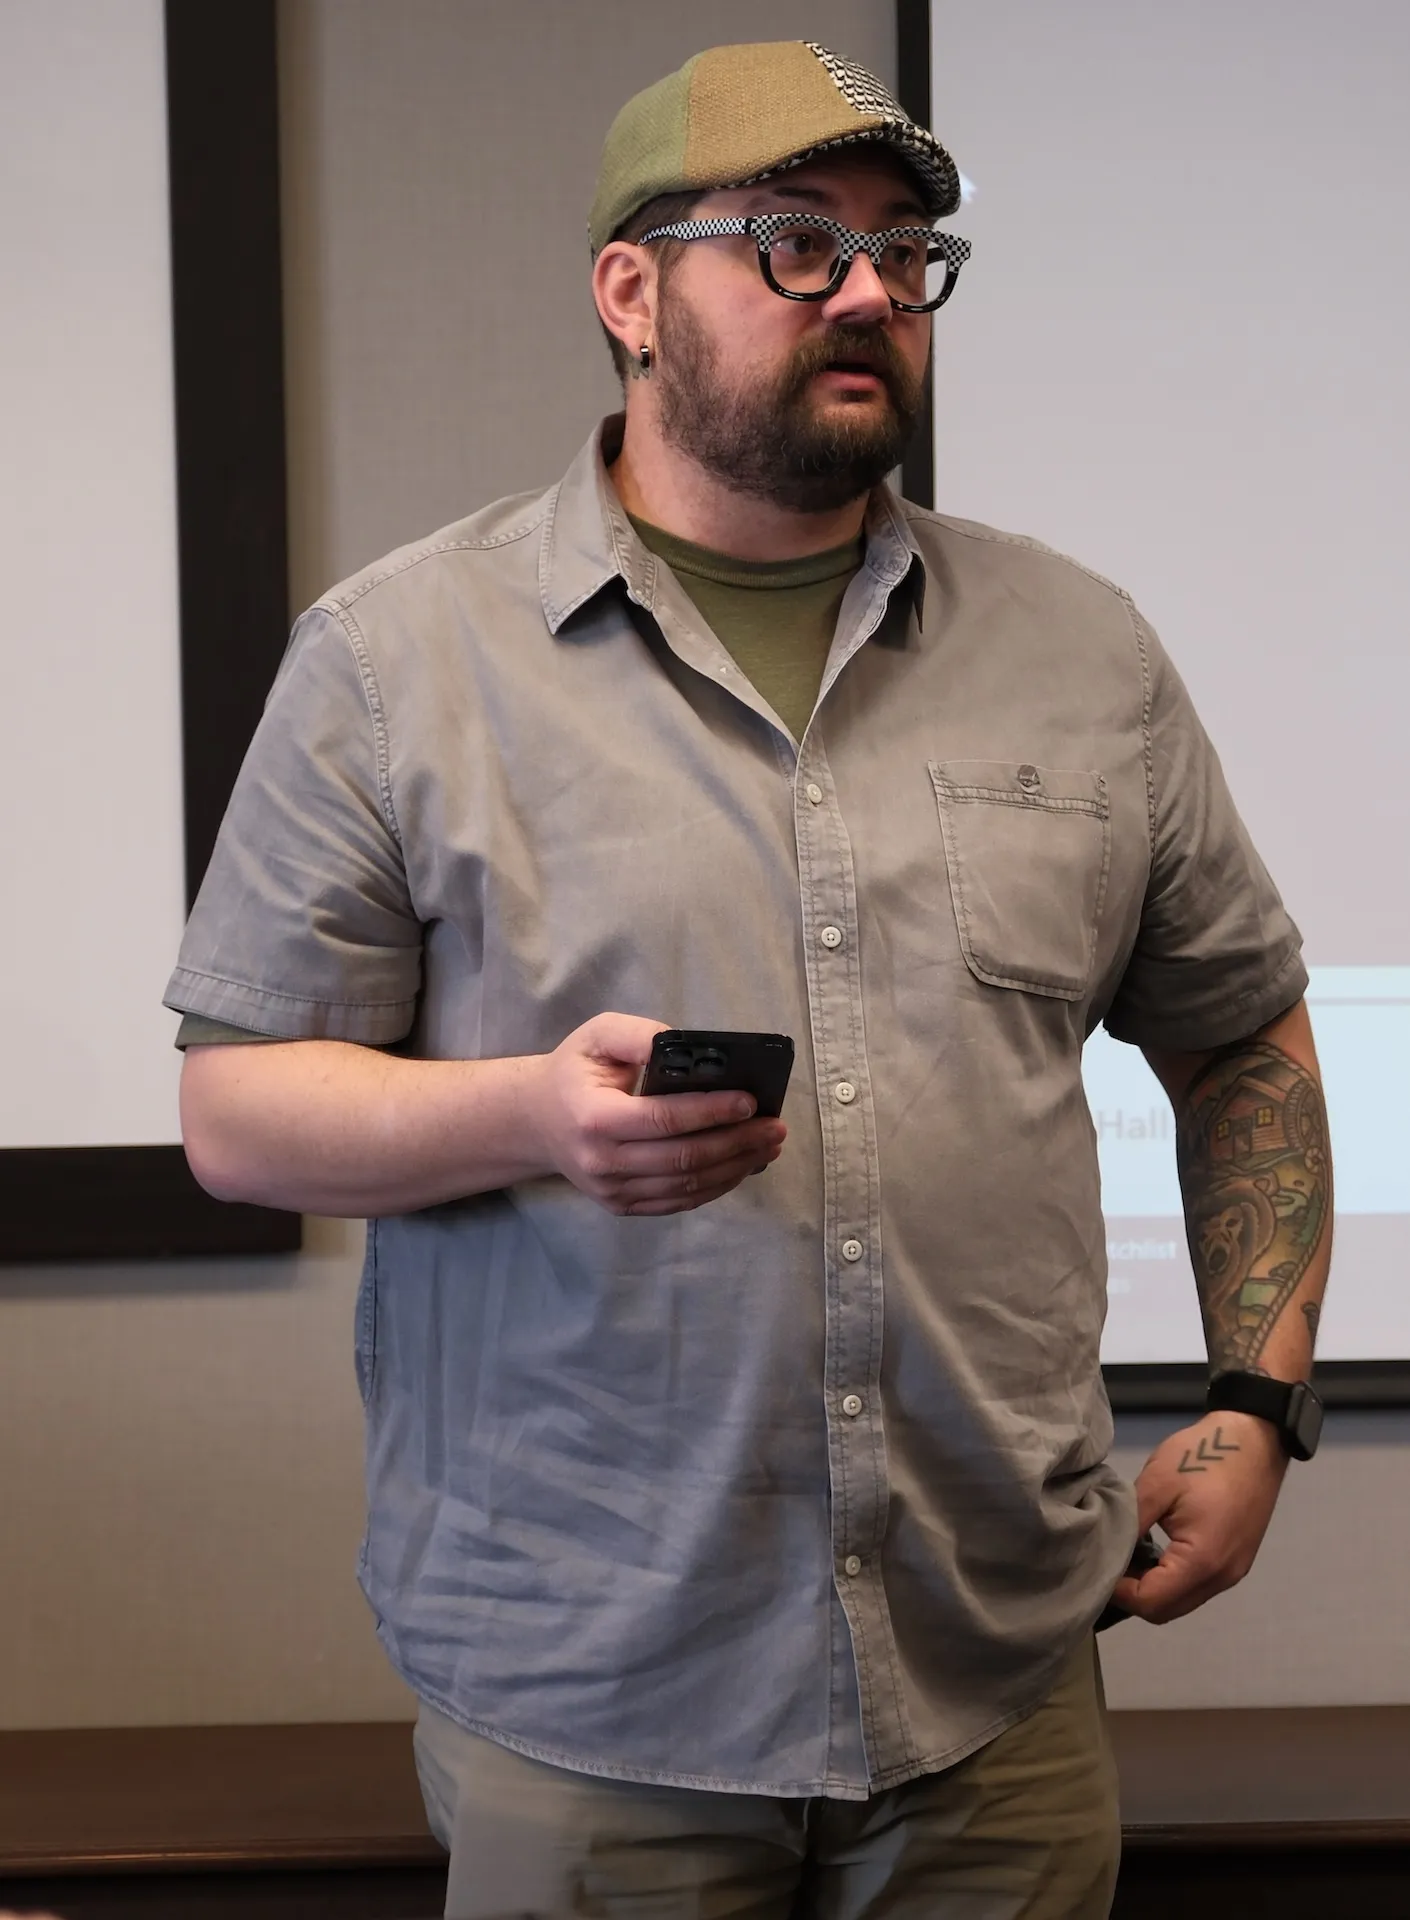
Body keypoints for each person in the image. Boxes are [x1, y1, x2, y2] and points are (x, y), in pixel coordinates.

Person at [166, 40, 1333, 1920]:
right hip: (592, 1698)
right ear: (630, 294)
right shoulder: (399, 659)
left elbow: (1239, 1037)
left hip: (994, 1688)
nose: (867, 290)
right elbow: (237, 1111)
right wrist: (528, 1113)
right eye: (794, 242)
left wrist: (1255, 1400)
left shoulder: (1078, 651)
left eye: (903, 252)